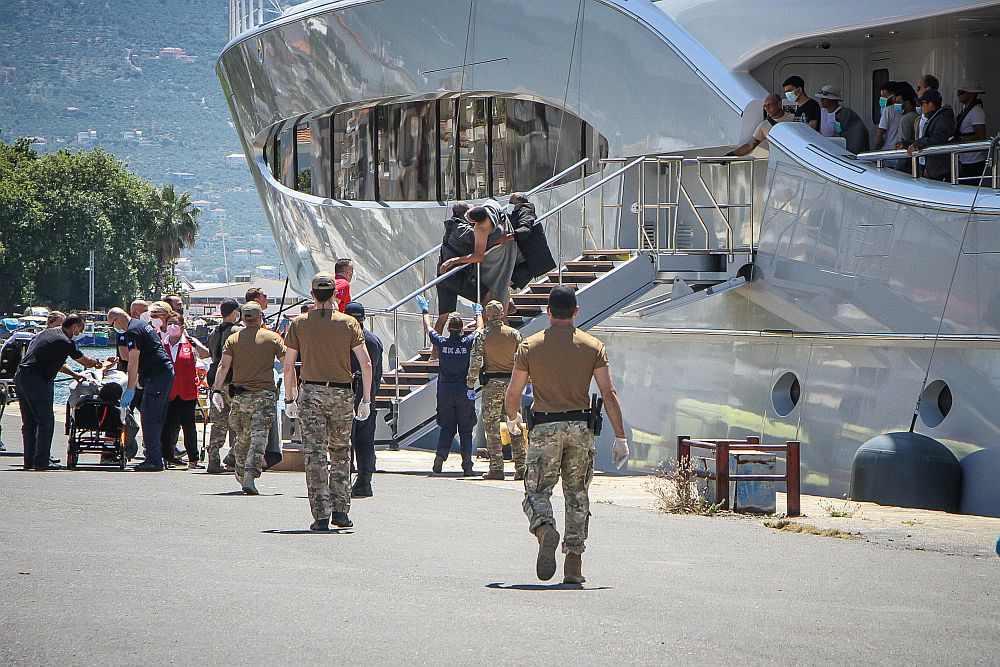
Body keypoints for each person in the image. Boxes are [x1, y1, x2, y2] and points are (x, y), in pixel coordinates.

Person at [505, 286, 629, 585]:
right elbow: (608, 393)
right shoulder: (592, 346)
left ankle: (545, 529)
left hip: (545, 428)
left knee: (536, 491)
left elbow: (513, 393)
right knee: (577, 495)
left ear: (548, 312)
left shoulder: (529, 346)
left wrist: (512, 420)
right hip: (580, 429)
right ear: (575, 312)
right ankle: (573, 563)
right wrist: (620, 437)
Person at [282, 272, 372, 531]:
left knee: (315, 455)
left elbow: (289, 366)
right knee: (341, 452)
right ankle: (341, 512)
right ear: (335, 294)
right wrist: (365, 399)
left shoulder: (298, 324)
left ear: (312, 295)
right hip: (342, 394)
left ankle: (321, 514)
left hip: (310, 393)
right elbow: (366, 363)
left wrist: (290, 398)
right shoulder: (348, 324)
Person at [210, 302, 285, 494]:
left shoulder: (234, 339)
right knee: (259, 437)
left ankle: (242, 471)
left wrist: (216, 390)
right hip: (265, 395)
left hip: (241, 396)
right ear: (261, 318)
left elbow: (223, 366)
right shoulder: (273, 338)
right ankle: (250, 474)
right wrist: (294, 390)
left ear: (243, 318)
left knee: (242, 436)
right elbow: (288, 364)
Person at [14, 314, 99, 470]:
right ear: (74, 327)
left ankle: (30, 460)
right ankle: (42, 461)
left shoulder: (48, 334)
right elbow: (85, 362)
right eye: (80, 328)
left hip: (21, 376)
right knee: (46, 421)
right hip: (37, 380)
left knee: (30, 422)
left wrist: (74, 374)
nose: (80, 332)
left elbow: (56, 363)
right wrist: (97, 363)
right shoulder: (65, 342)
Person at [107, 307, 174, 472]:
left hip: (157, 375)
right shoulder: (140, 325)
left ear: (118, 319)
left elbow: (133, 359)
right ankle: (159, 456)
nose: (114, 328)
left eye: (112, 324)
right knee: (156, 417)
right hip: (161, 374)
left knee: (149, 417)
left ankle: (154, 460)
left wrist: (130, 388)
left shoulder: (132, 331)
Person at [416, 296, 478, 476]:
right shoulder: (466, 343)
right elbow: (480, 329)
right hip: (464, 391)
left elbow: (428, 328)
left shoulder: (442, 343)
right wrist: (478, 315)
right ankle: (467, 465)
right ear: (461, 330)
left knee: (447, 427)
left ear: (449, 329)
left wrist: (425, 311)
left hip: (444, 391)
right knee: (465, 429)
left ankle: (440, 456)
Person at [467, 300, 524, 480]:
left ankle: (497, 467)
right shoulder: (515, 334)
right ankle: (521, 467)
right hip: (512, 384)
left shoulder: (482, 336)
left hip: (492, 385)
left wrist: (470, 383)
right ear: (502, 314)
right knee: (514, 423)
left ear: (486, 316)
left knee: (491, 427)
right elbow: (523, 360)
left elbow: (475, 362)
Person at [438, 200, 518, 313]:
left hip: (496, 256)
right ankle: (502, 311)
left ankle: (486, 323)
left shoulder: (480, 228)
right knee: (498, 291)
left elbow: (478, 256)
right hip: (510, 246)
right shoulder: (492, 205)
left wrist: (454, 260)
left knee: (489, 294)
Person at [344, 301, 383, 498]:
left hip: (345, 394)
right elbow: (378, 374)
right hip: (367, 395)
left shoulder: (342, 339)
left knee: (343, 440)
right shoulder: (374, 340)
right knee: (366, 440)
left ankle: (343, 480)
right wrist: (370, 396)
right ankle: (365, 481)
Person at [161, 313, 210, 469]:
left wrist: (192, 342)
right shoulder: (162, 344)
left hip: (187, 392)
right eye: (170, 323)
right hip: (168, 392)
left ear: (182, 327)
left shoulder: (189, 343)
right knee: (168, 426)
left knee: (189, 426)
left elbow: (206, 354)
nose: (173, 326)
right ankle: (167, 456)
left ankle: (193, 459)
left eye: (176, 323)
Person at [205, 299, 242, 473]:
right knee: (241, 422)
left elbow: (212, 355)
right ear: (235, 312)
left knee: (218, 423)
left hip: (215, 379)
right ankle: (233, 456)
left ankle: (213, 458)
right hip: (232, 379)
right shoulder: (237, 332)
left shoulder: (214, 332)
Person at [509, 193, 557, 291]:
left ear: (519, 203)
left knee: (508, 282)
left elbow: (525, 229)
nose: (509, 205)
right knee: (508, 282)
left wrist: (509, 237)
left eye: (511, 203)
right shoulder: (516, 212)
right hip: (526, 257)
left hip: (530, 258)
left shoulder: (526, 211)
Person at [908, 89, 957, 181]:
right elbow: (929, 138)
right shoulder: (936, 118)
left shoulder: (943, 119)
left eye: (922, 104)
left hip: (942, 170)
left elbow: (938, 139)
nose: (920, 107)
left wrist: (916, 144)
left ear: (931, 104)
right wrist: (907, 143)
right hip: (936, 168)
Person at [727, 94, 793, 157]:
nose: (767, 109)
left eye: (770, 105)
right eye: (765, 106)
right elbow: (749, 145)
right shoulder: (764, 125)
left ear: (779, 104)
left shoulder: (793, 118)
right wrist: (732, 154)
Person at [815, 85, 870, 154]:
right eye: (821, 99)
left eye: (824, 99)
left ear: (833, 100)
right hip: (827, 147)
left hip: (840, 149)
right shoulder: (822, 112)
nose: (821, 101)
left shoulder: (843, 113)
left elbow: (854, 133)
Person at [953, 81, 988, 183]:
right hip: (964, 158)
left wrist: (961, 139)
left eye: (961, 92)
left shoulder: (977, 111)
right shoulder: (966, 110)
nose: (958, 95)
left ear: (971, 93)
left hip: (974, 160)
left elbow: (981, 136)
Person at [874, 82, 903, 150]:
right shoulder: (904, 109)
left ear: (893, 96)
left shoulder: (888, 110)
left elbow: (878, 139)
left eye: (884, 97)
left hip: (889, 150)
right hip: (901, 150)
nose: (882, 100)